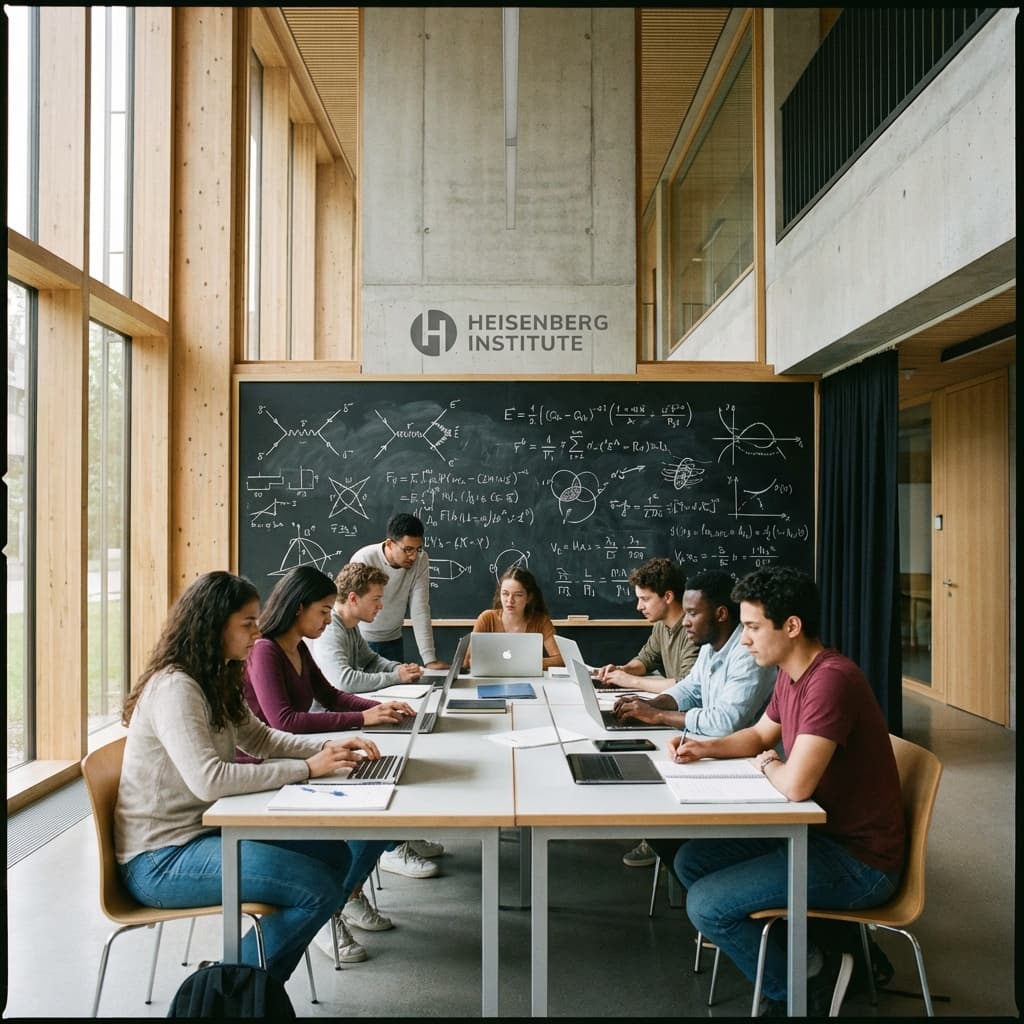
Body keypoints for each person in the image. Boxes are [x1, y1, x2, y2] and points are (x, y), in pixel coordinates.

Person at [114, 570, 384, 985]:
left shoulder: (217, 676)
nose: (257, 633)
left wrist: (328, 748)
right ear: (212, 625)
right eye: (247, 623)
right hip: (160, 858)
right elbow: (209, 780)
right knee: (316, 888)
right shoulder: (176, 688)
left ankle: (244, 979)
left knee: (335, 856)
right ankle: (231, 988)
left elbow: (260, 738)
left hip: (206, 830)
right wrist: (307, 768)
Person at [671, 567, 906, 1017]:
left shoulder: (830, 680)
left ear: (792, 626)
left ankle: (802, 989)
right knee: (691, 861)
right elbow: (761, 735)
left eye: (753, 627)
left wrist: (770, 764)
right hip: (817, 833)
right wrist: (703, 747)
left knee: (706, 906)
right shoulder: (791, 672)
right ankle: (818, 953)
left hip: (859, 861)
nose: (743, 640)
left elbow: (795, 784)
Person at [244, 565, 420, 963]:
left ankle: (344, 899)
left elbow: (334, 696)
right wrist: (361, 719)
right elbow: (283, 721)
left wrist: (380, 709)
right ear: (298, 607)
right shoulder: (266, 650)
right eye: (323, 611)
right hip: (268, 768)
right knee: (364, 821)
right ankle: (329, 913)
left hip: (299, 754)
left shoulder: (299, 647)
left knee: (379, 820)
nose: (328, 620)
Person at [612, 569, 778, 871]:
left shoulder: (747, 654)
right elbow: (690, 688)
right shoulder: (711, 648)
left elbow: (726, 721)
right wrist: (649, 705)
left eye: (692, 613)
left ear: (721, 614)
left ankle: (703, 878)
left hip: (744, 768)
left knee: (661, 816)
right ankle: (692, 876)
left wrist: (658, 715)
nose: (685, 621)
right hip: (715, 754)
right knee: (655, 813)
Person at [311, 561, 445, 880]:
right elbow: (343, 680)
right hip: (327, 725)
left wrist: (399, 669)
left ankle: (401, 832)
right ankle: (391, 848)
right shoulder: (330, 629)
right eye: (376, 598)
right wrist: (394, 678)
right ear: (353, 598)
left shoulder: (350, 625)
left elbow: (370, 660)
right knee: (390, 761)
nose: (381, 606)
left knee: (407, 749)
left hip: (345, 717)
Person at [349, 512, 447, 668]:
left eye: (418, 549)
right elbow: (352, 606)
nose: (413, 556)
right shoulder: (364, 559)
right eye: (407, 549)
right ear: (389, 544)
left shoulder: (420, 559)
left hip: (394, 640)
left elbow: (420, 608)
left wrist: (430, 660)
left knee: (397, 683)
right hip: (362, 641)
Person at [594, 557, 699, 693]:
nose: (639, 607)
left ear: (668, 597)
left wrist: (631, 681)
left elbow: (686, 685)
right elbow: (646, 659)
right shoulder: (661, 625)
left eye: (645, 599)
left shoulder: (694, 630)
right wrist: (622, 670)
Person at [467, 567, 563, 670]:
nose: (510, 600)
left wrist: (526, 663)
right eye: (505, 594)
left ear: (529, 598)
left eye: (518, 595)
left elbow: (560, 660)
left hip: (530, 678)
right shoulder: (487, 618)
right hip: (493, 677)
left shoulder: (541, 620)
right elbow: (467, 661)